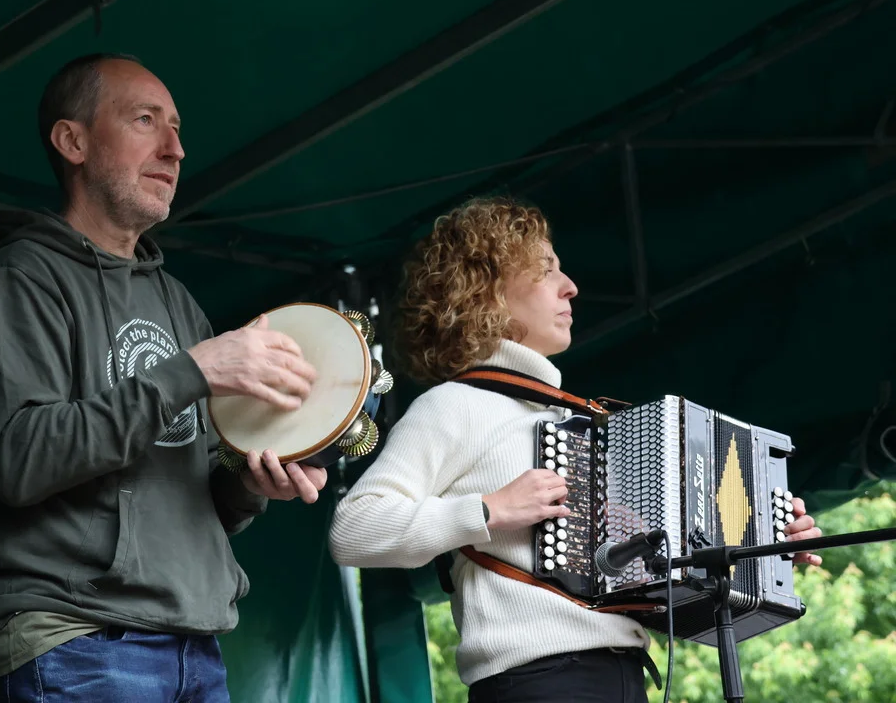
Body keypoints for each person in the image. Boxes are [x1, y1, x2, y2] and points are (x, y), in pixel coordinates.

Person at [327, 197, 823, 702]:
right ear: (487, 292)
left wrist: (764, 543)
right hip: (539, 683)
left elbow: (658, 580)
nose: (570, 287)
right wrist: (489, 510)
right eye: (547, 271)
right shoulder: (454, 405)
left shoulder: (573, 426)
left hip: (623, 677)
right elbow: (353, 530)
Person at [0, 52, 327, 703]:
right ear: (72, 142)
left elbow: (200, 495)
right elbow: (18, 459)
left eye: (177, 128)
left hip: (196, 645)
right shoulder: (21, 278)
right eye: (146, 120)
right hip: (77, 641)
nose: (175, 149)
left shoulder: (179, 303)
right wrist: (192, 371)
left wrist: (250, 484)